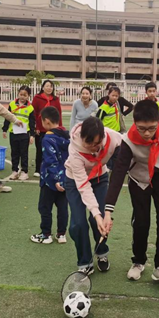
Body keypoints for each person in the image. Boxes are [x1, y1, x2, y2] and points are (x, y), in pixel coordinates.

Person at [103, 100, 159, 286]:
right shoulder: (128, 140)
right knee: (141, 222)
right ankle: (138, 261)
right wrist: (108, 211)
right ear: (134, 123)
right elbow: (118, 175)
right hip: (139, 179)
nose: (147, 133)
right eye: (142, 128)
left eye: (151, 128)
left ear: (158, 121)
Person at [64, 117, 123, 274]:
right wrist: (95, 214)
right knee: (78, 224)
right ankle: (85, 261)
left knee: (101, 218)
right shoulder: (75, 151)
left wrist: (99, 216)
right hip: (75, 181)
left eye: (97, 144)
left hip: (100, 178)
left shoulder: (112, 137)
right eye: (88, 144)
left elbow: (128, 144)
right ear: (82, 137)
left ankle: (101, 252)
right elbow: (83, 186)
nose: (93, 148)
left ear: (103, 136)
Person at [31, 107, 70, 244]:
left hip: (50, 180)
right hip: (66, 178)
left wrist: (55, 179)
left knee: (45, 206)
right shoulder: (66, 135)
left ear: (46, 121)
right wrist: (63, 179)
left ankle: (46, 234)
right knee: (63, 207)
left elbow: (50, 160)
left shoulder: (48, 138)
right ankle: (61, 234)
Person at [2, 85, 36, 181]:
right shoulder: (12, 104)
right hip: (13, 133)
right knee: (14, 153)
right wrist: (5, 129)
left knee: (24, 153)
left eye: (25, 95)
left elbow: (32, 122)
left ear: (28, 96)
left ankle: (24, 172)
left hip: (25, 134)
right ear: (18, 94)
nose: (22, 97)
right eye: (21, 94)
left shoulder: (30, 108)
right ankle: (15, 171)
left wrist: (32, 135)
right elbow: (7, 117)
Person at [32, 80, 63, 177]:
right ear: (42, 87)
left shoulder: (55, 99)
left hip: (53, 128)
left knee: (53, 149)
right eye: (47, 86)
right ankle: (38, 169)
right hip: (40, 129)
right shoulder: (37, 98)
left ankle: (51, 168)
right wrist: (36, 126)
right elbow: (34, 113)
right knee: (40, 149)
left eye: (51, 86)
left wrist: (60, 128)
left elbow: (59, 114)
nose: (49, 88)